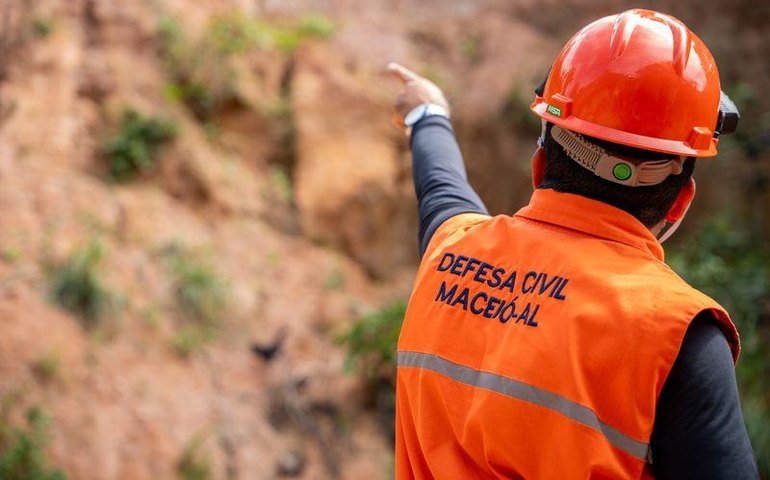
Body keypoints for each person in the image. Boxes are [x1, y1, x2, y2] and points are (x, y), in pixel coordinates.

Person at [388, 9, 758, 479]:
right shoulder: (677, 335)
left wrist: (428, 113)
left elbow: (441, 190)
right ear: (680, 200)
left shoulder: (449, 251)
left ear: (540, 163)